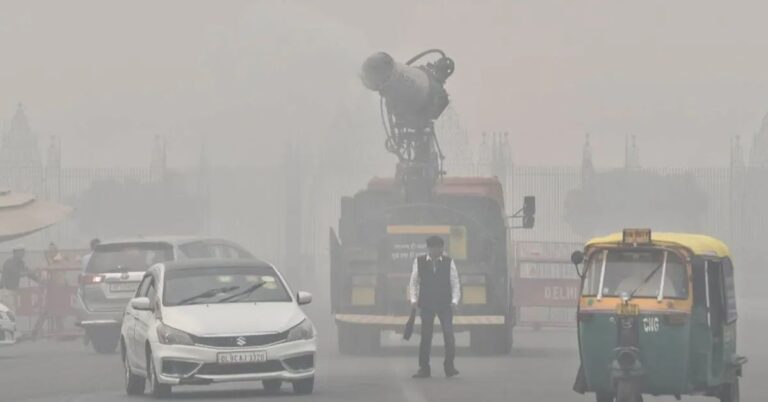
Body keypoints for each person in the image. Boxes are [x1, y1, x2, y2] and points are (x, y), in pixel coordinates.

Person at [409, 235, 461, 378]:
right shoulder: (419, 262)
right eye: (434, 248)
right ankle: (424, 368)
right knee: (426, 337)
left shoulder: (449, 262)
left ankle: (449, 366)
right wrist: (413, 299)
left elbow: (455, 283)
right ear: (429, 248)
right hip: (426, 304)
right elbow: (414, 282)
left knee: (449, 335)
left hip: (445, 304)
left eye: (440, 248)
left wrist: (455, 301)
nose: (438, 251)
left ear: (442, 248)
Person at [0, 246, 37, 312]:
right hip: (7, 290)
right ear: (16, 252)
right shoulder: (9, 262)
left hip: (14, 289)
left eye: (23, 252)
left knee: (13, 309)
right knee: (10, 310)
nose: (23, 254)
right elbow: (17, 273)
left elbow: (27, 272)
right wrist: (28, 273)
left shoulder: (21, 263)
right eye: (21, 251)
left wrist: (38, 279)